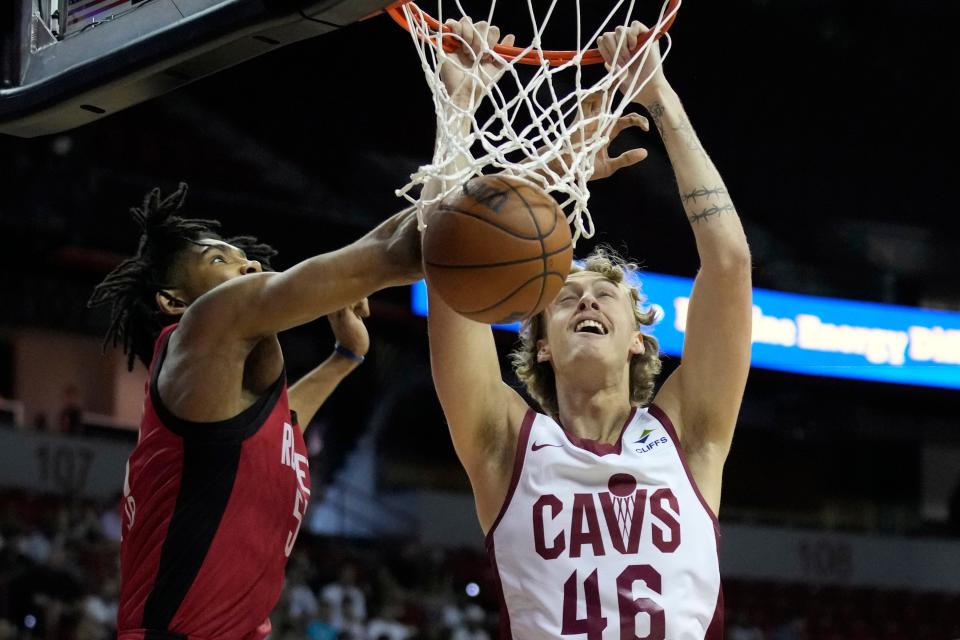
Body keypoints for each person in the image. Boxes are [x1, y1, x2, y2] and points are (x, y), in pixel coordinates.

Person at [424, 20, 751, 640]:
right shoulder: (504, 446)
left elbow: (729, 263)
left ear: (638, 338)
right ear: (542, 344)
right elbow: (453, 271)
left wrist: (659, 96)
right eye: (565, 296)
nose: (585, 299)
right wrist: (460, 107)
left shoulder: (690, 435)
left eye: (606, 293)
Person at [87, 183, 420, 640]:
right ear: (174, 302)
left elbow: (282, 427)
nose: (249, 263)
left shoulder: (225, 412)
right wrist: (462, 199)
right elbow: (390, 252)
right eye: (219, 260)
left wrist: (344, 357)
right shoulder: (203, 325)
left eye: (243, 257)